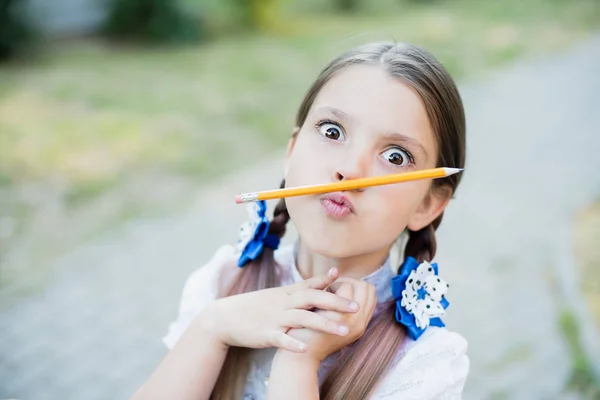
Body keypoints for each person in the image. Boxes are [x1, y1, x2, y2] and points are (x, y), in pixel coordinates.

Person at [133, 41, 469, 400]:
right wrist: (212, 326)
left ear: (429, 204)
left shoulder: (425, 364)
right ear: (291, 153)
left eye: (395, 156)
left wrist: (300, 360)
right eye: (332, 131)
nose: (350, 170)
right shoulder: (220, 282)